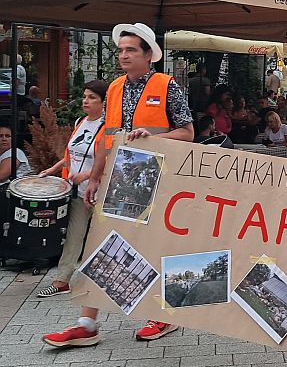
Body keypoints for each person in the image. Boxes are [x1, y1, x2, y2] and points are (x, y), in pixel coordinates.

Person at [43, 22, 193, 348]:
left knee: (153, 245)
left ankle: (163, 316)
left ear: (148, 55)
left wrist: (152, 137)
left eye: (130, 50)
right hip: (120, 176)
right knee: (104, 244)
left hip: (158, 176)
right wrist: (95, 177)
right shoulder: (113, 89)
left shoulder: (168, 86)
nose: (123, 55)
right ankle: (87, 323)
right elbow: (105, 140)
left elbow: (187, 132)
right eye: (121, 50)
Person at [35, 80, 109, 298]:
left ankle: (105, 281)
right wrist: (53, 169)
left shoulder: (109, 128)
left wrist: (87, 175)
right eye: (85, 96)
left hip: (101, 191)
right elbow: (71, 156)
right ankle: (62, 280)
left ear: (104, 103)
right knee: (74, 236)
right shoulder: (81, 122)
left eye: (92, 97)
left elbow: (111, 160)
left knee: (103, 237)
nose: (86, 100)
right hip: (77, 191)